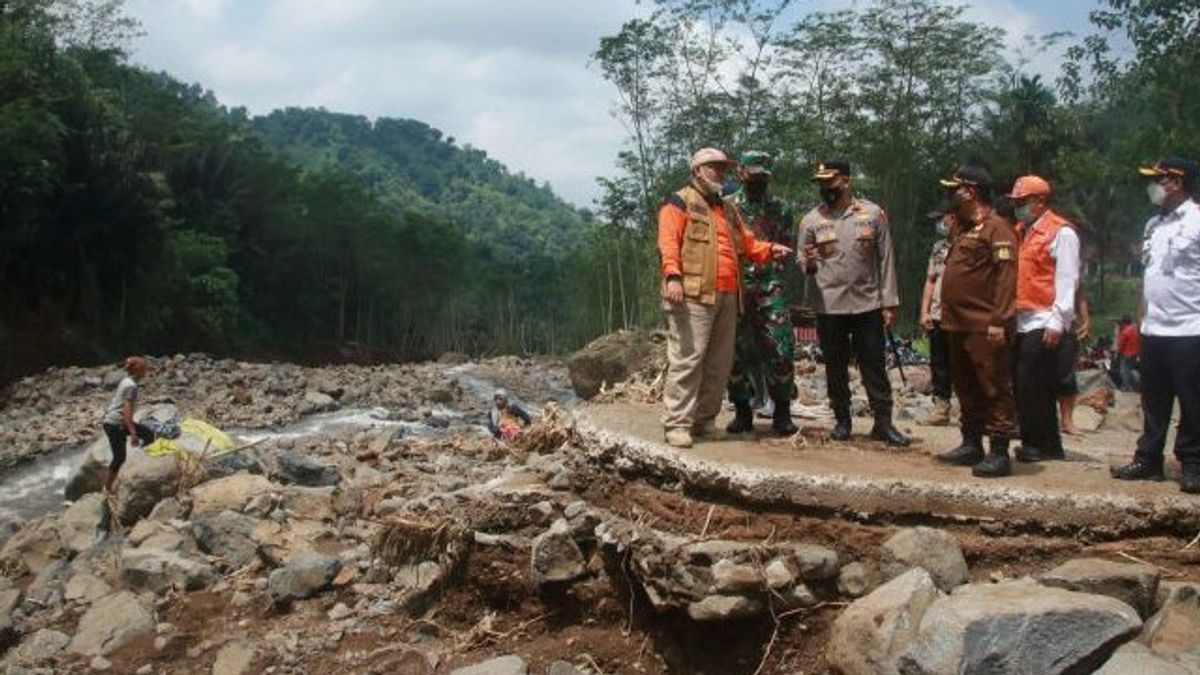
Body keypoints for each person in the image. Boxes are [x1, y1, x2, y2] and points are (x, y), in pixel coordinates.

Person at [658, 148, 793, 448]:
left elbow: (747, 244)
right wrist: (672, 276)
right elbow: (668, 242)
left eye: (722, 168)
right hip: (694, 292)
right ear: (697, 171)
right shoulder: (680, 201)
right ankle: (677, 423)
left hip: (730, 294)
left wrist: (769, 250)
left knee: (719, 364)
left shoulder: (727, 210)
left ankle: (704, 421)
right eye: (713, 168)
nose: (719, 173)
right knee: (688, 359)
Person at [798, 160, 909, 446]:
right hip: (829, 305)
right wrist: (808, 263)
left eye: (831, 182)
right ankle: (842, 420)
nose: (826, 189)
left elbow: (886, 260)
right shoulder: (811, 220)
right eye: (821, 184)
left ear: (846, 181)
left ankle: (883, 422)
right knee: (834, 365)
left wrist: (889, 302)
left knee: (873, 364)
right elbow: (802, 260)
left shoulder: (872, 214)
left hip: (867, 303)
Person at [1112, 157, 1200, 494]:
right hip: (1154, 329)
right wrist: (1141, 321)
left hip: (1190, 328)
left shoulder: (1196, 220)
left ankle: (1192, 463)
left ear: (1175, 182)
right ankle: (1148, 459)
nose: (1152, 187)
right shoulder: (1153, 225)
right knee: (1153, 401)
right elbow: (1148, 279)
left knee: (1192, 402)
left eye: (1158, 179)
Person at [933, 165, 1019, 477]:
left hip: (985, 325)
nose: (949, 195)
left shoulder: (998, 229)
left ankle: (999, 450)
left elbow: (1006, 279)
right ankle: (971, 443)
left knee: (994, 386)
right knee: (965, 386)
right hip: (957, 324)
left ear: (970, 191)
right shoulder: (966, 228)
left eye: (953, 189)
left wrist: (999, 320)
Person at [1007, 175, 1081, 463]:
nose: (1018, 207)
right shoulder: (1020, 231)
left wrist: (1058, 320)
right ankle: (1036, 441)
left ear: (1040, 201)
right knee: (1024, 383)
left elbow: (1066, 278)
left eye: (1022, 202)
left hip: (1043, 317)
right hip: (1021, 317)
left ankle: (1044, 444)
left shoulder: (1061, 233)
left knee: (1033, 382)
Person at [725, 151, 799, 436]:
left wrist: (772, 276)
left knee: (781, 348)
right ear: (741, 173)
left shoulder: (781, 210)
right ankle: (743, 411)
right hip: (738, 287)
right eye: (753, 175)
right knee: (736, 352)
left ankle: (782, 411)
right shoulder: (728, 207)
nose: (758, 180)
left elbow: (784, 248)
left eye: (763, 176)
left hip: (770, 287)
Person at [918, 210, 955, 426]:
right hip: (938, 313)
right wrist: (925, 311)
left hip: (962, 315)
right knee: (939, 362)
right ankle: (941, 408)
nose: (940, 224)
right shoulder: (939, 247)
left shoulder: (969, 243)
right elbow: (930, 280)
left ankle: (972, 411)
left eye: (943, 219)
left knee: (964, 363)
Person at [101, 356, 155, 493]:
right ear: (137, 369)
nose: (145, 371)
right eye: (143, 368)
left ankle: (139, 464)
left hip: (114, 421)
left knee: (149, 435)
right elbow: (127, 409)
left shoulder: (126, 380)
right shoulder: (131, 386)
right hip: (115, 424)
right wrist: (133, 432)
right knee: (119, 457)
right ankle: (107, 488)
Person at [1058, 290, 1091, 436]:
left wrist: (1086, 320)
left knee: (1067, 378)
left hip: (1067, 326)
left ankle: (1067, 420)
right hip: (1037, 322)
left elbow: (1079, 292)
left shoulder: (1073, 268)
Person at [1114, 315, 1141, 392]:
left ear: (1123, 322)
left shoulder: (1125, 331)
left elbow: (1121, 344)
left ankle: (1126, 387)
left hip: (1126, 353)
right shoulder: (1134, 330)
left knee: (1124, 371)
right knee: (1130, 370)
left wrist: (1117, 354)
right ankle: (1134, 386)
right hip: (1135, 353)